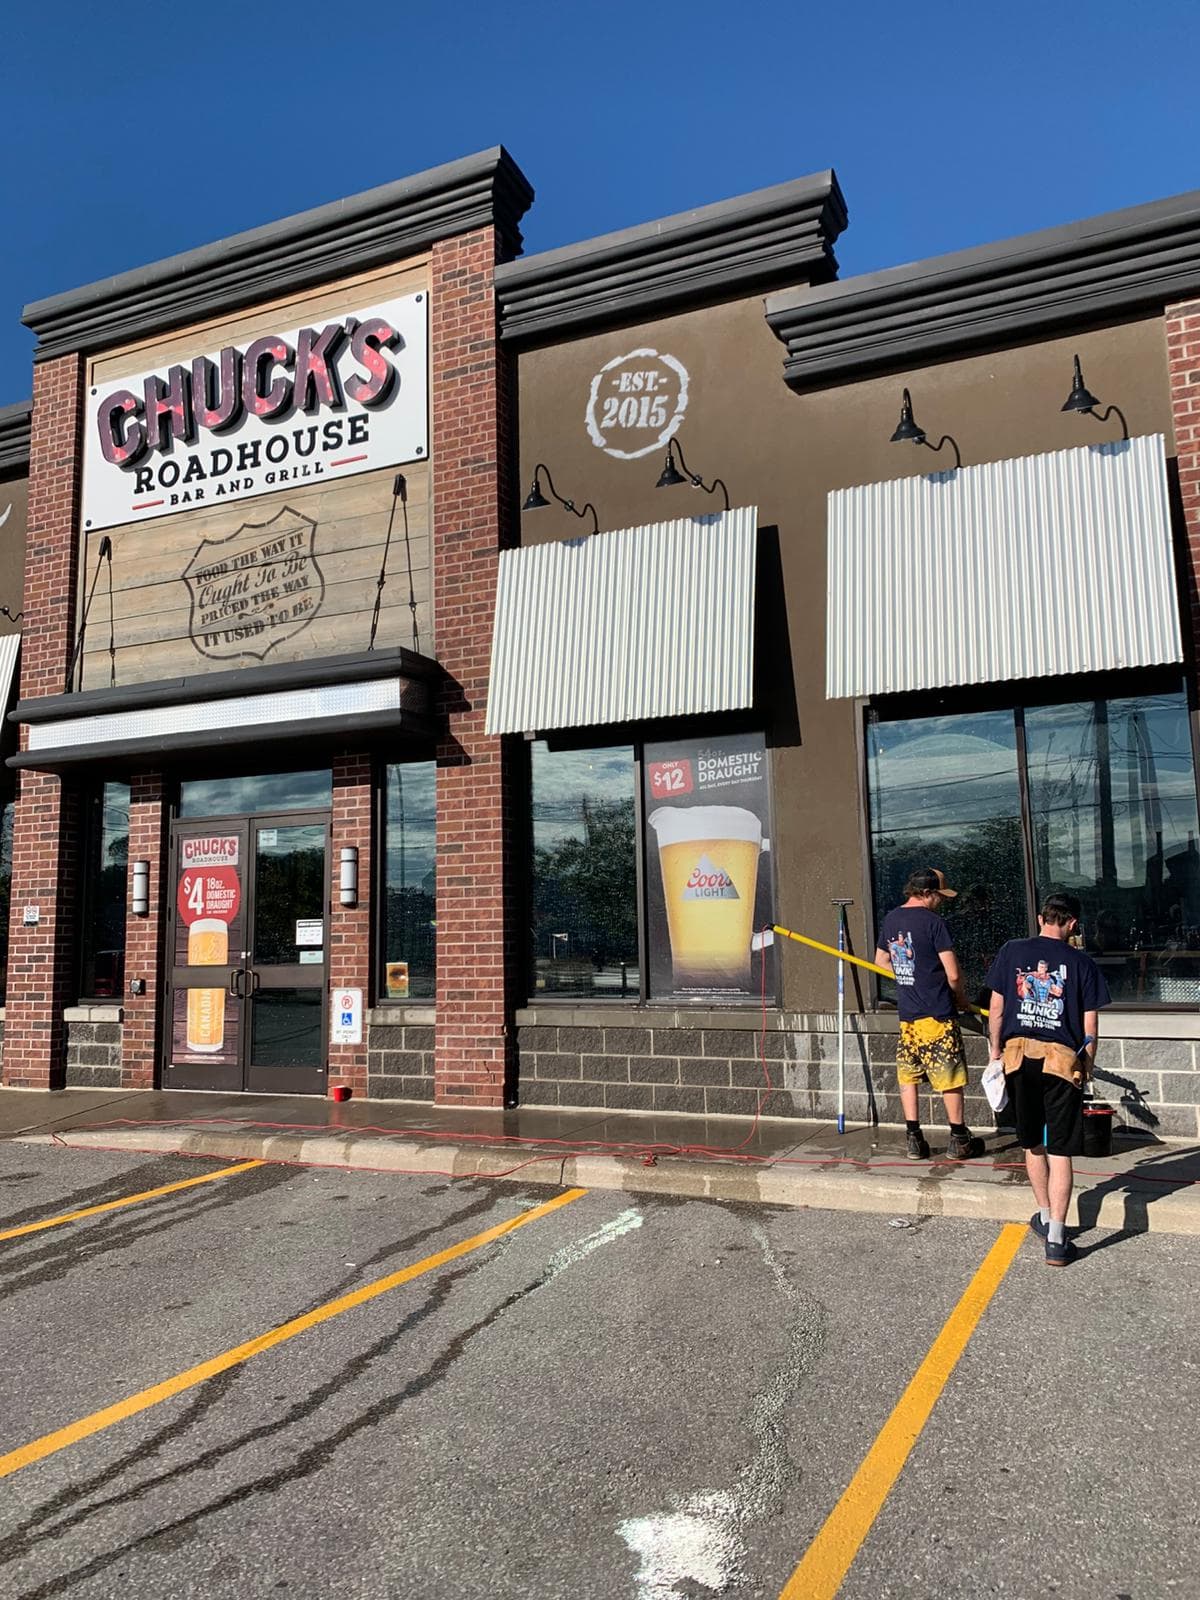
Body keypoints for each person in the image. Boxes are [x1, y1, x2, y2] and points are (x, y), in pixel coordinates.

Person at [986, 892, 1111, 1267]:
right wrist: (1085, 1065)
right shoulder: (1082, 963)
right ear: (1072, 923)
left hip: (1018, 1057)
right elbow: (1090, 1025)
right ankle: (1056, 1236)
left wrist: (995, 1054)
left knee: (1031, 1143)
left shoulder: (1011, 951)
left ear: (1042, 918)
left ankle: (1042, 1213)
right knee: (1060, 1150)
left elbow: (997, 1008)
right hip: (1060, 1063)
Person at [875, 868, 985, 1162]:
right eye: (939, 895)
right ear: (926, 893)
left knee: (908, 1075)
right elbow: (952, 972)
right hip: (937, 1014)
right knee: (949, 1076)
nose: (941, 901)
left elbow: (880, 962)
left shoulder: (892, 919)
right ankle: (959, 1138)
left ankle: (914, 1138)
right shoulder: (934, 923)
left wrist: (908, 975)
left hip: (908, 1015)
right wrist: (960, 998)